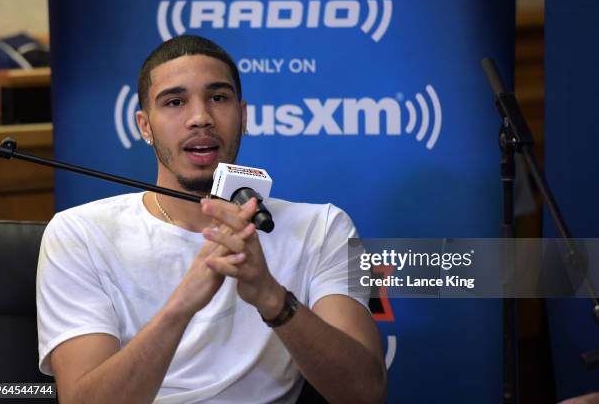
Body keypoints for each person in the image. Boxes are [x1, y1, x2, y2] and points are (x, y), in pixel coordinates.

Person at [36, 35, 386, 404]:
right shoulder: (78, 233)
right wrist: (181, 305)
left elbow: (366, 393)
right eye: (174, 102)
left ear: (244, 116)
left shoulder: (322, 227)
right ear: (144, 126)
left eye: (218, 98)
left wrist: (271, 297)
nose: (200, 117)